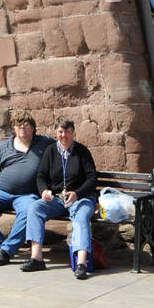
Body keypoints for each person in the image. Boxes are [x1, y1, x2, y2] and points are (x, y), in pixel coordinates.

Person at [22, 118, 98, 279]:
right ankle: (36, 258)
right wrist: (44, 191)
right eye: (60, 132)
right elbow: (41, 176)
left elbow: (92, 179)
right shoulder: (50, 151)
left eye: (67, 132)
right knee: (34, 208)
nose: (64, 135)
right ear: (56, 133)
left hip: (80, 197)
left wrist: (77, 193)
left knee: (81, 216)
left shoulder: (82, 151)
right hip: (57, 199)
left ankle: (81, 263)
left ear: (73, 133)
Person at [0, 112, 54, 264]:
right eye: (19, 126)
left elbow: (63, 146)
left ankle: (7, 250)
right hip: (2, 191)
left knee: (29, 211)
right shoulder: (4, 146)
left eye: (26, 125)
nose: (22, 129)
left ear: (33, 128)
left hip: (27, 195)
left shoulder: (44, 143)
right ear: (14, 128)